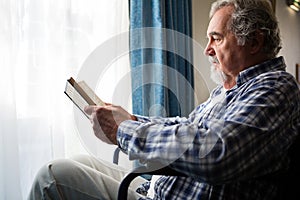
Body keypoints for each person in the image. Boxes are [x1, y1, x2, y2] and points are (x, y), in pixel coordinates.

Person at [28, 0, 300, 199]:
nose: (207, 49)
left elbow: (216, 152)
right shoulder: (227, 90)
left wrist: (123, 130)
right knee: (78, 161)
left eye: (216, 38)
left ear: (253, 41)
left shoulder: (275, 87)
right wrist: (132, 120)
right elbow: (184, 125)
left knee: (52, 176)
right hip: (157, 189)